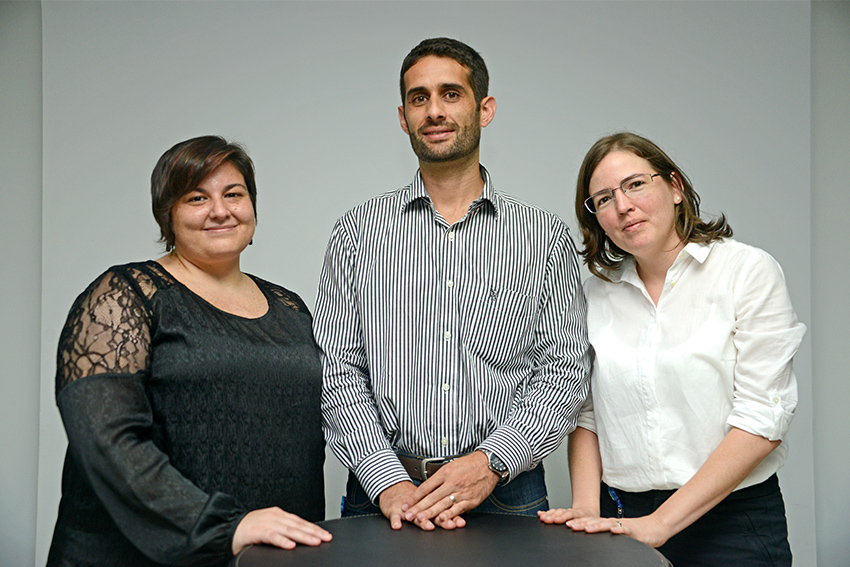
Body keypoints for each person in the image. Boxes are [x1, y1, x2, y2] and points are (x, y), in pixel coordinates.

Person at [314, 37, 591, 532]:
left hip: (506, 494)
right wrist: (385, 478)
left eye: (451, 94)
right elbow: (336, 368)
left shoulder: (543, 236)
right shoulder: (356, 231)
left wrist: (490, 462)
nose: (434, 111)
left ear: (484, 109)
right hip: (386, 494)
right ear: (403, 117)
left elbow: (565, 370)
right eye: (419, 98)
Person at [47, 136, 332, 567]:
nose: (220, 210)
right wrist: (224, 525)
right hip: (141, 555)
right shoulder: (125, 296)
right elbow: (106, 441)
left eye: (233, 194)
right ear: (169, 214)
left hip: (269, 555)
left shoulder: (290, 308)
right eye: (197, 197)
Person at [538, 132, 805, 566]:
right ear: (597, 221)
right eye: (603, 199)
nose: (622, 205)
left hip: (732, 520)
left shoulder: (746, 272)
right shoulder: (594, 295)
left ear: (676, 188)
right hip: (623, 516)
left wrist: (662, 523)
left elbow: (763, 419)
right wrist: (586, 506)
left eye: (635, 185)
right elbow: (585, 414)